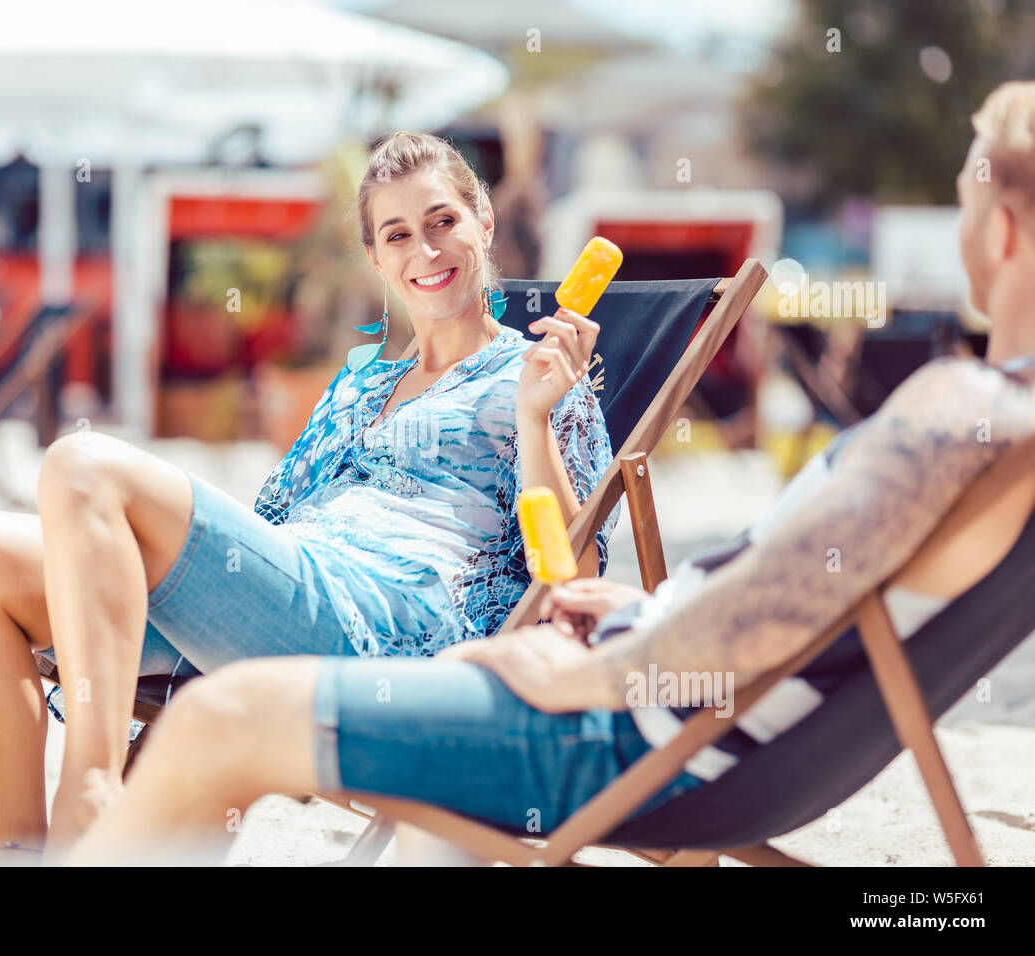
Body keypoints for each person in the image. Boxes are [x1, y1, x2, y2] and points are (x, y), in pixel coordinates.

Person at [60, 81, 1035, 866]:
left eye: (961, 206)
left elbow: (770, 612)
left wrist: (591, 669)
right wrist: (629, 613)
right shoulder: (1003, 423)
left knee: (226, 713)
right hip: (695, 720)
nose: (956, 234)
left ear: (998, 234)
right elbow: (799, 602)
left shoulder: (962, 406)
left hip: (629, 731)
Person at [0, 131, 616, 860]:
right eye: (399, 234)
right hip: (286, 595)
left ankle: (92, 793)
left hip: (383, 625)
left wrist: (538, 415)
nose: (427, 250)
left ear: (485, 222)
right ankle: (23, 854)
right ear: (377, 259)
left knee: (82, 465)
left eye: (445, 221)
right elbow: (270, 526)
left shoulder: (535, 375)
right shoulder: (359, 385)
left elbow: (572, 579)